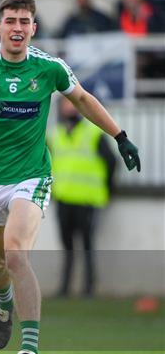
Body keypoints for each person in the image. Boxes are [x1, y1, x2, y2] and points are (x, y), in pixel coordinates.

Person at [0, 0, 140, 354]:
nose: (17, 28)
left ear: (34, 28)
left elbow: (81, 98)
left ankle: (29, 351)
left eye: (24, 22)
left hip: (31, 176)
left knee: (16, 254)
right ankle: (3, 303)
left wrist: (120, 135)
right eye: (10, 21)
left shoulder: (49, 67)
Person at [50, 97, 116, 298]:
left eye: (71, 104)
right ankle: (65, 288)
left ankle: (89, 287)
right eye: (65, 105)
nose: (68, 109)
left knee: (87, 244)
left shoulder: (93, 133)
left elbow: (112, 162)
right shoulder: (55, 135)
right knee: (67, 245)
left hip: (87, 199)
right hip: (63, 198)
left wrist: (107, 190)